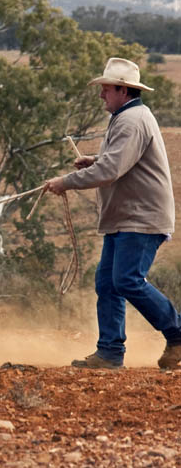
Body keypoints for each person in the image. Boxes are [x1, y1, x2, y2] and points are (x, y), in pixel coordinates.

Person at [44, 57, 181, 370]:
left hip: (140, 217)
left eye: (106, 89)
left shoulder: (132, 121)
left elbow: (111, 170)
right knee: (108, 282)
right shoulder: (129, 117)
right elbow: (117, 162)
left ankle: (177, 332)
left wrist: (65, 182)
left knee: (127, 280)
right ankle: (109, 352)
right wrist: (95, 160)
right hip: (127, 216)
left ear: (123, 90)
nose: (101, 95)